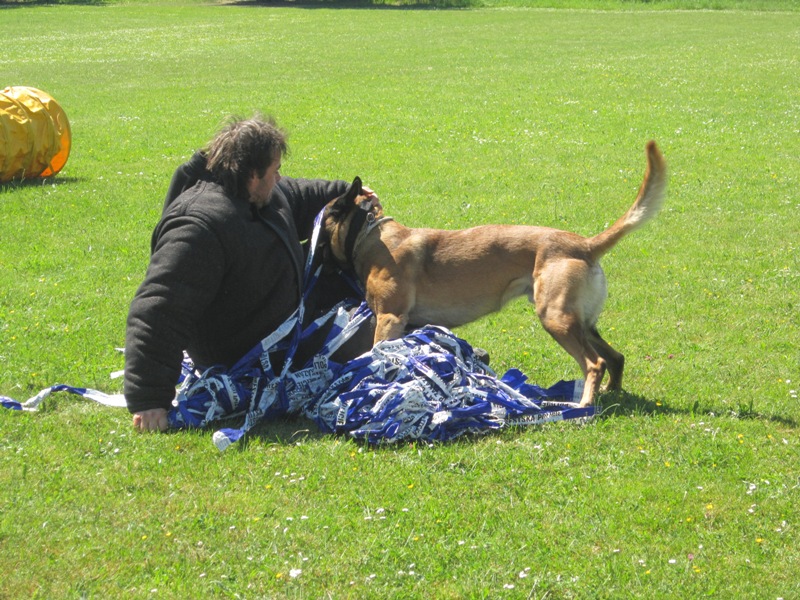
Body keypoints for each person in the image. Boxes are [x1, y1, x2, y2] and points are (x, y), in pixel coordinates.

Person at [124, 115, 372, 432]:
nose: (279, 177)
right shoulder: (199, 227)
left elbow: (298, 195)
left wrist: (347, 194)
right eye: (275, 170)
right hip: (253, 360)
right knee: (390, 335)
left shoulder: (257, 193)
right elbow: (158, 309)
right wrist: (148, 398)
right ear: (253, 175)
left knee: (385, 304)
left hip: (293, 322)